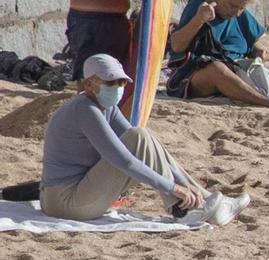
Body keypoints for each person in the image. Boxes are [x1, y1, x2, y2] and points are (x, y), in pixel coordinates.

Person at [40, 54, 247, 226]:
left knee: (141, 134)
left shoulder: (106, 107)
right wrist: (173, 188)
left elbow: (143, 145)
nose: (117, 87)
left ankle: (203, 200)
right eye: (110, 82)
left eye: (121, 82)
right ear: (89, 84)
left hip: (79, 191)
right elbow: (124, 160)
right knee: (138, 138)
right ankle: (182, 210)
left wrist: (184, 184)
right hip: (64, 201)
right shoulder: (85, 109)